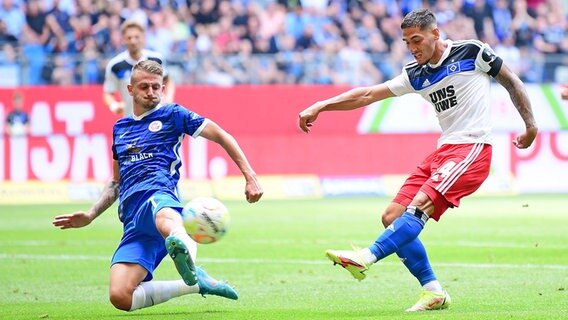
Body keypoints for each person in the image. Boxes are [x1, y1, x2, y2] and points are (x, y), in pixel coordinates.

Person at [298, 8, 537, 312]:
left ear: (436, 34)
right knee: (392, 216)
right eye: (407, 42)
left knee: (418, 206)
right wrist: (322, 104)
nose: (412, 48)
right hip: (443, 151)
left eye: (417, 40)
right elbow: (368, 94)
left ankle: (366, 257)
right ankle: (433, 291)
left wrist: (531, 125)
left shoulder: (472, 51)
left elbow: (512, 81)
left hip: (473, 148)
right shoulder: (416, 73)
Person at [53, 60, 263, 312]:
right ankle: (195, 283)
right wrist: (90, 214)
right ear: (130, 90)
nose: (151, 92)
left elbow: (221, 134)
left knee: (165, 218)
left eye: (156, 86)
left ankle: (182, 243)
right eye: (144, 87)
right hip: (132, 220)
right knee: (120, 296)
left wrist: (249, 176)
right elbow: (115, 183)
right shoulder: (120, 128)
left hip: (159, 196)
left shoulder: (173, 115)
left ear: (163, 88)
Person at [103, 20, 175, 117]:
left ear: (143, 38)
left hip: (159, 117)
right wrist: (114, 105)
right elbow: (107, 92)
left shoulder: (156, 59)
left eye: (136, 37)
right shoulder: (115, 65)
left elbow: (168, 80)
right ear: (123, 39)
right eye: (129, 38)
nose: (133, 41)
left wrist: (169, 98)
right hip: (133, 120)